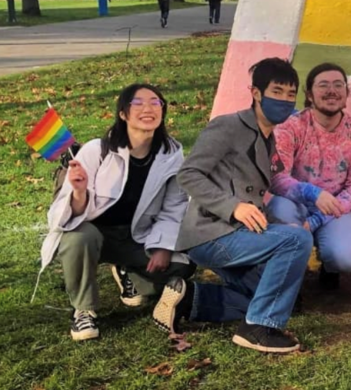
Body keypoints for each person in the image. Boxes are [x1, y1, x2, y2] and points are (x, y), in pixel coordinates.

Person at [153, 58, 313, 354]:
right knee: (297, 241)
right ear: (256, 93)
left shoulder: (268, 136)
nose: (285, 100)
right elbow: (188, 175)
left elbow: (274, 180)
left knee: (277, 294)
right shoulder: (228, 126)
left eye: (291, 94)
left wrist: (312, 196)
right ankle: (259, 329)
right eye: (277, 91)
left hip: (238, 233)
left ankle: (191, 298)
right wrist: (233, 207)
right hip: (213, 232)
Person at [38, 84, 193, 342]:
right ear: (123, 113)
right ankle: (84, 309)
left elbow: (174, 208)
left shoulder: (171, 155)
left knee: (181, 266)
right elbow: (63, 217)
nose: (148, 108)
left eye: (156, 102)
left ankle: (128, 272)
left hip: (135, 236)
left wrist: (163, 246)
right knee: (79, 237)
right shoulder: (96, 150)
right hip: (92, 233)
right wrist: (78, 192)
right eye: (138, 103)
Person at [268, 62, 351, 290]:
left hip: (336, 206)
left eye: (338, 85)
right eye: (323, 85)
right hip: (293, 201)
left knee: (345, 258)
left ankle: (330, 268)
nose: (331, 91)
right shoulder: (290, 127)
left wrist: (318, 219)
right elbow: (277, 178)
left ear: (347, 94)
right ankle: (288, 278)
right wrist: (312, 193)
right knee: (280, 213)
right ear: (309, 95)